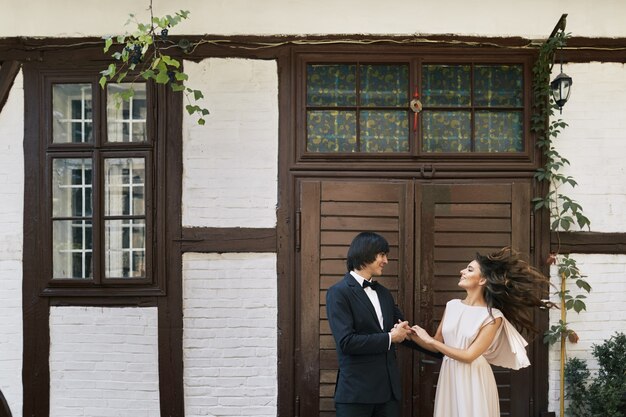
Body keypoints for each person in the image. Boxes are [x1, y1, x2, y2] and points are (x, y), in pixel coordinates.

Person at [409, 247, 555, 417]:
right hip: (449, 375)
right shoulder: (452, 305)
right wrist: (411, 335)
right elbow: (436, 345)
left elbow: (469, 355)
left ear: (482, 280)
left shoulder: (493, 317)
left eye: (469, 269)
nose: (462, 271)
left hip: (473, 377)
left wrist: (430, 341)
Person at [326, 231, 441, 417]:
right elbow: (346, 342)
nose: (386, 261)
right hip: (356, 395)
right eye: (382, 255)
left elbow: (402, 333)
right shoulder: (338, 293)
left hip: (388, 396)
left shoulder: (384, 294)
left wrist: (441, 351)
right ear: (365, 253)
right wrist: (390, 337)